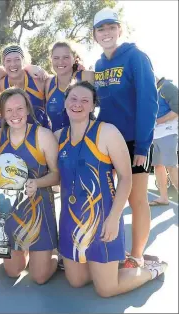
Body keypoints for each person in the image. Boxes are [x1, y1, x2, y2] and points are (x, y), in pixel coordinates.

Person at [55, 80, 167, 297]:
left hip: (103, 220)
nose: (78, 104)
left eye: (85, 100)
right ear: (65, 102)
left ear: (93, 106)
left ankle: (149, 270)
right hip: (71, 219)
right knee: (76, 281)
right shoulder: (58, 136)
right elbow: (52, 174)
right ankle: (113, 262)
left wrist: (114, 217)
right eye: (73, 99)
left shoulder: (106, 132)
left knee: (106, 289)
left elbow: (125, 178)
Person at [93, 7, 158, 268]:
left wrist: (143, 144)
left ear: (119, 29)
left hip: (135, 142)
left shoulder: (136, 58)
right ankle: (113, 247)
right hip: (108, 143)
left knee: (137, 198)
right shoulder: (98, 65)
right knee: (111, 197)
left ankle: (137, 255)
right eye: (101, 29)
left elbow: (149, 102)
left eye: (111, 27)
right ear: (95, 35)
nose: (107, 33)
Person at [0, 88, 59, 284]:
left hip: (39, 211)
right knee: (13, 271)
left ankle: (53, 256)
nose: (15, 115)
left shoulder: (43, 135)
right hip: (12, 213)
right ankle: (28, 253)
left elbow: (57, 175)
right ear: (2, 113)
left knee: (39, 277)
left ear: (28, 109)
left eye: (19, 108)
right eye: (9, 110)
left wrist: (36, 183)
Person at [0, 44, 51, 129]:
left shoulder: (36, 80)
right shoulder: (2, 84)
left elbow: (57, 83)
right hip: (13, 134)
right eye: (8, 60)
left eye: (17, 59)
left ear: (23, 61)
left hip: (39, 134)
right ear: (3, 63)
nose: (13, 64)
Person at [45, 41, 94, 132]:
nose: (60, 62)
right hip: (57, 142)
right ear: (51, 59)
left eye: (66, 57)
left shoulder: (86, 76)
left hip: (86, 141)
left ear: (74, 58)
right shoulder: (48, 83)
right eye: (56, 58)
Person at [149, 77, 178, 206]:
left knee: (171, 166)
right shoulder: (152, 90)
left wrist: (158, 121)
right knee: (158, 166)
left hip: (168, 133)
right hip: (155, 135)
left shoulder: (166, 86)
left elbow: (177, 109)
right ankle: (163, 198)